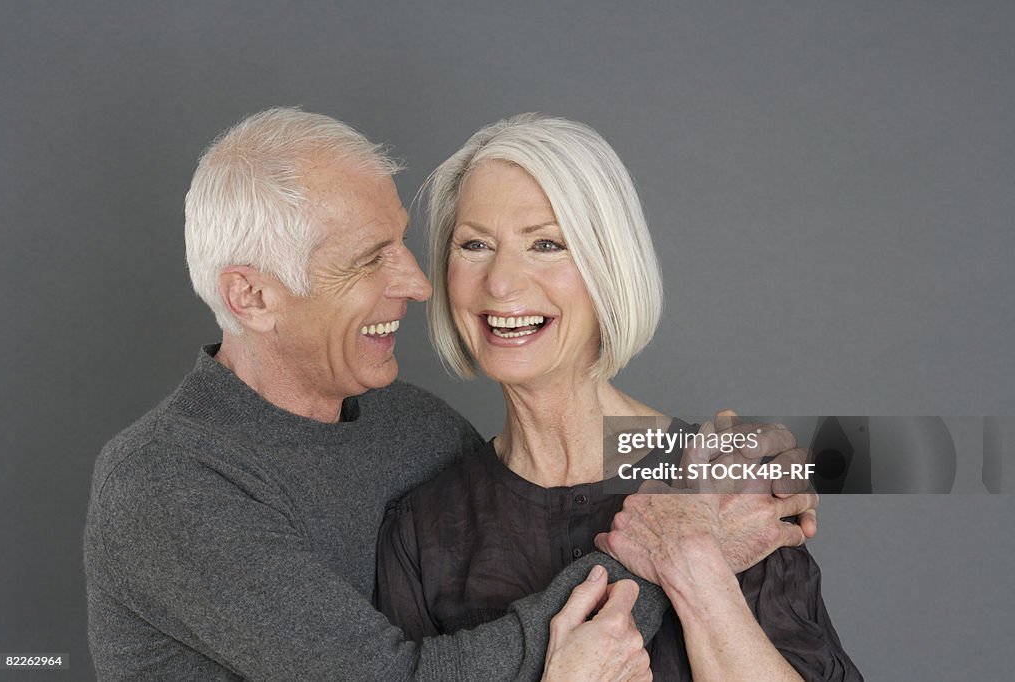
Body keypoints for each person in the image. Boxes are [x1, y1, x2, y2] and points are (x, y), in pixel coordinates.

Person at [84, 107, 818, 681]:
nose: (417, 282)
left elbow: (572, 474)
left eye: (547, 242)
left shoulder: (413, 430)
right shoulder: (165, 485)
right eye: (370, 260)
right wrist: (680, 548)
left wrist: (758, 459)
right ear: (252, 296)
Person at [375, 114, 861, 680]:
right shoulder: (422, 527)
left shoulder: (724, 475)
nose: (501, 282)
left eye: (547, 243)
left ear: (609, 268)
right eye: (475, 244)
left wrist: (695, 564)